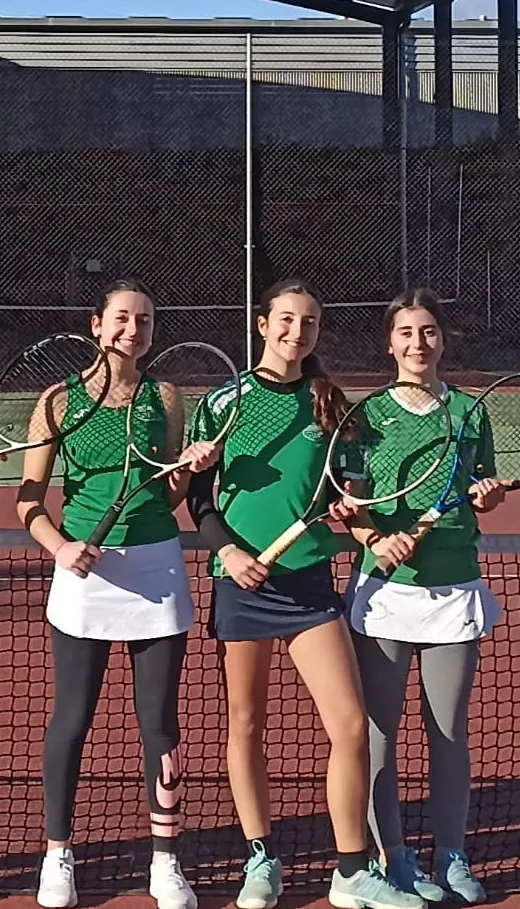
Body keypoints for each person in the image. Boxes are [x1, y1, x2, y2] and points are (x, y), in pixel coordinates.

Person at [186, 280, 428, 909]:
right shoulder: (223, 404)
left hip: (310, 584)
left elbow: (348, 486)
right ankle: (260, 857)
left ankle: (351, 871)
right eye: (287, 320)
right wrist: (229, 552)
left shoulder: (330, 402)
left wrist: (353, 516)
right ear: (263, 324)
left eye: (311, 322)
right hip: (242, 583)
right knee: (246, 725)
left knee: (349, 726)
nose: (299, 332)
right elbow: (201, 499)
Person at [18, 280, 218, 909]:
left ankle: (165, 861)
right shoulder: (56, 401)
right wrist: (59, 546)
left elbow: (170, 495)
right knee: (71, 719)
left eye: (146, 320)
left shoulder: (165, 396)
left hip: (156, 571)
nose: (134, 329)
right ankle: (58, 855)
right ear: (97, 325)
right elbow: (28, 498)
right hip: (83, 576)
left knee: (159, 722)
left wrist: (189, 467)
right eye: (123, 318)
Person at [345, 291, 506, 906]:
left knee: (447, 732)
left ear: (443, 340)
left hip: (453, 586)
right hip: (385, 593)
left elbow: (478, 488)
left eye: (429, 331)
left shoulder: (469, 412)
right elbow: (352, 504)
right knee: (379, 734)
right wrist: (372, 539)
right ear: (390, 344)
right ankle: (395, 857)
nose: (418, 344)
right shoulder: (364, 417)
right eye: (407, 333)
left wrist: (487, 496)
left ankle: (452, 853)